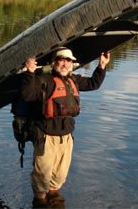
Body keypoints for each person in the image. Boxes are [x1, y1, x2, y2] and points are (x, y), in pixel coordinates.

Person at [20, 47, 110, 206]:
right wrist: (29, 72)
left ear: (71, 64)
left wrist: (101, 66)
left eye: (68, 61)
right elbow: (27, 95)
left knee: (58, 180)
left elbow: (93, 84)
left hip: (66, 139)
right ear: (54, 62)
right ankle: (39, 204)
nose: (64, 64)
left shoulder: (73, 79)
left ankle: (56, 202)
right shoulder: (44, 80)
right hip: (46, 138)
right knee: (41, 183)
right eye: (61, 60)